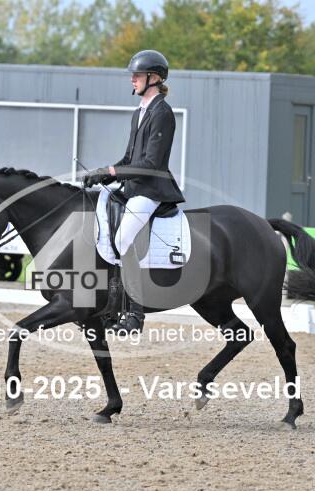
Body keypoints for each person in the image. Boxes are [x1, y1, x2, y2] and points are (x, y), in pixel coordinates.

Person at [82, 49, 186, 334]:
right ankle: (110, 306)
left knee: (123, 239)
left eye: (137, 75)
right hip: (133, 186)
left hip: (151, 189)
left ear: (154, 78)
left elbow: (151, 164)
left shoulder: (162, 113)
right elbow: (129, 158)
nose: (132, 79)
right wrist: (104, 172)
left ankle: (135, 315)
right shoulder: (139, 112)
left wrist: (112, 171)